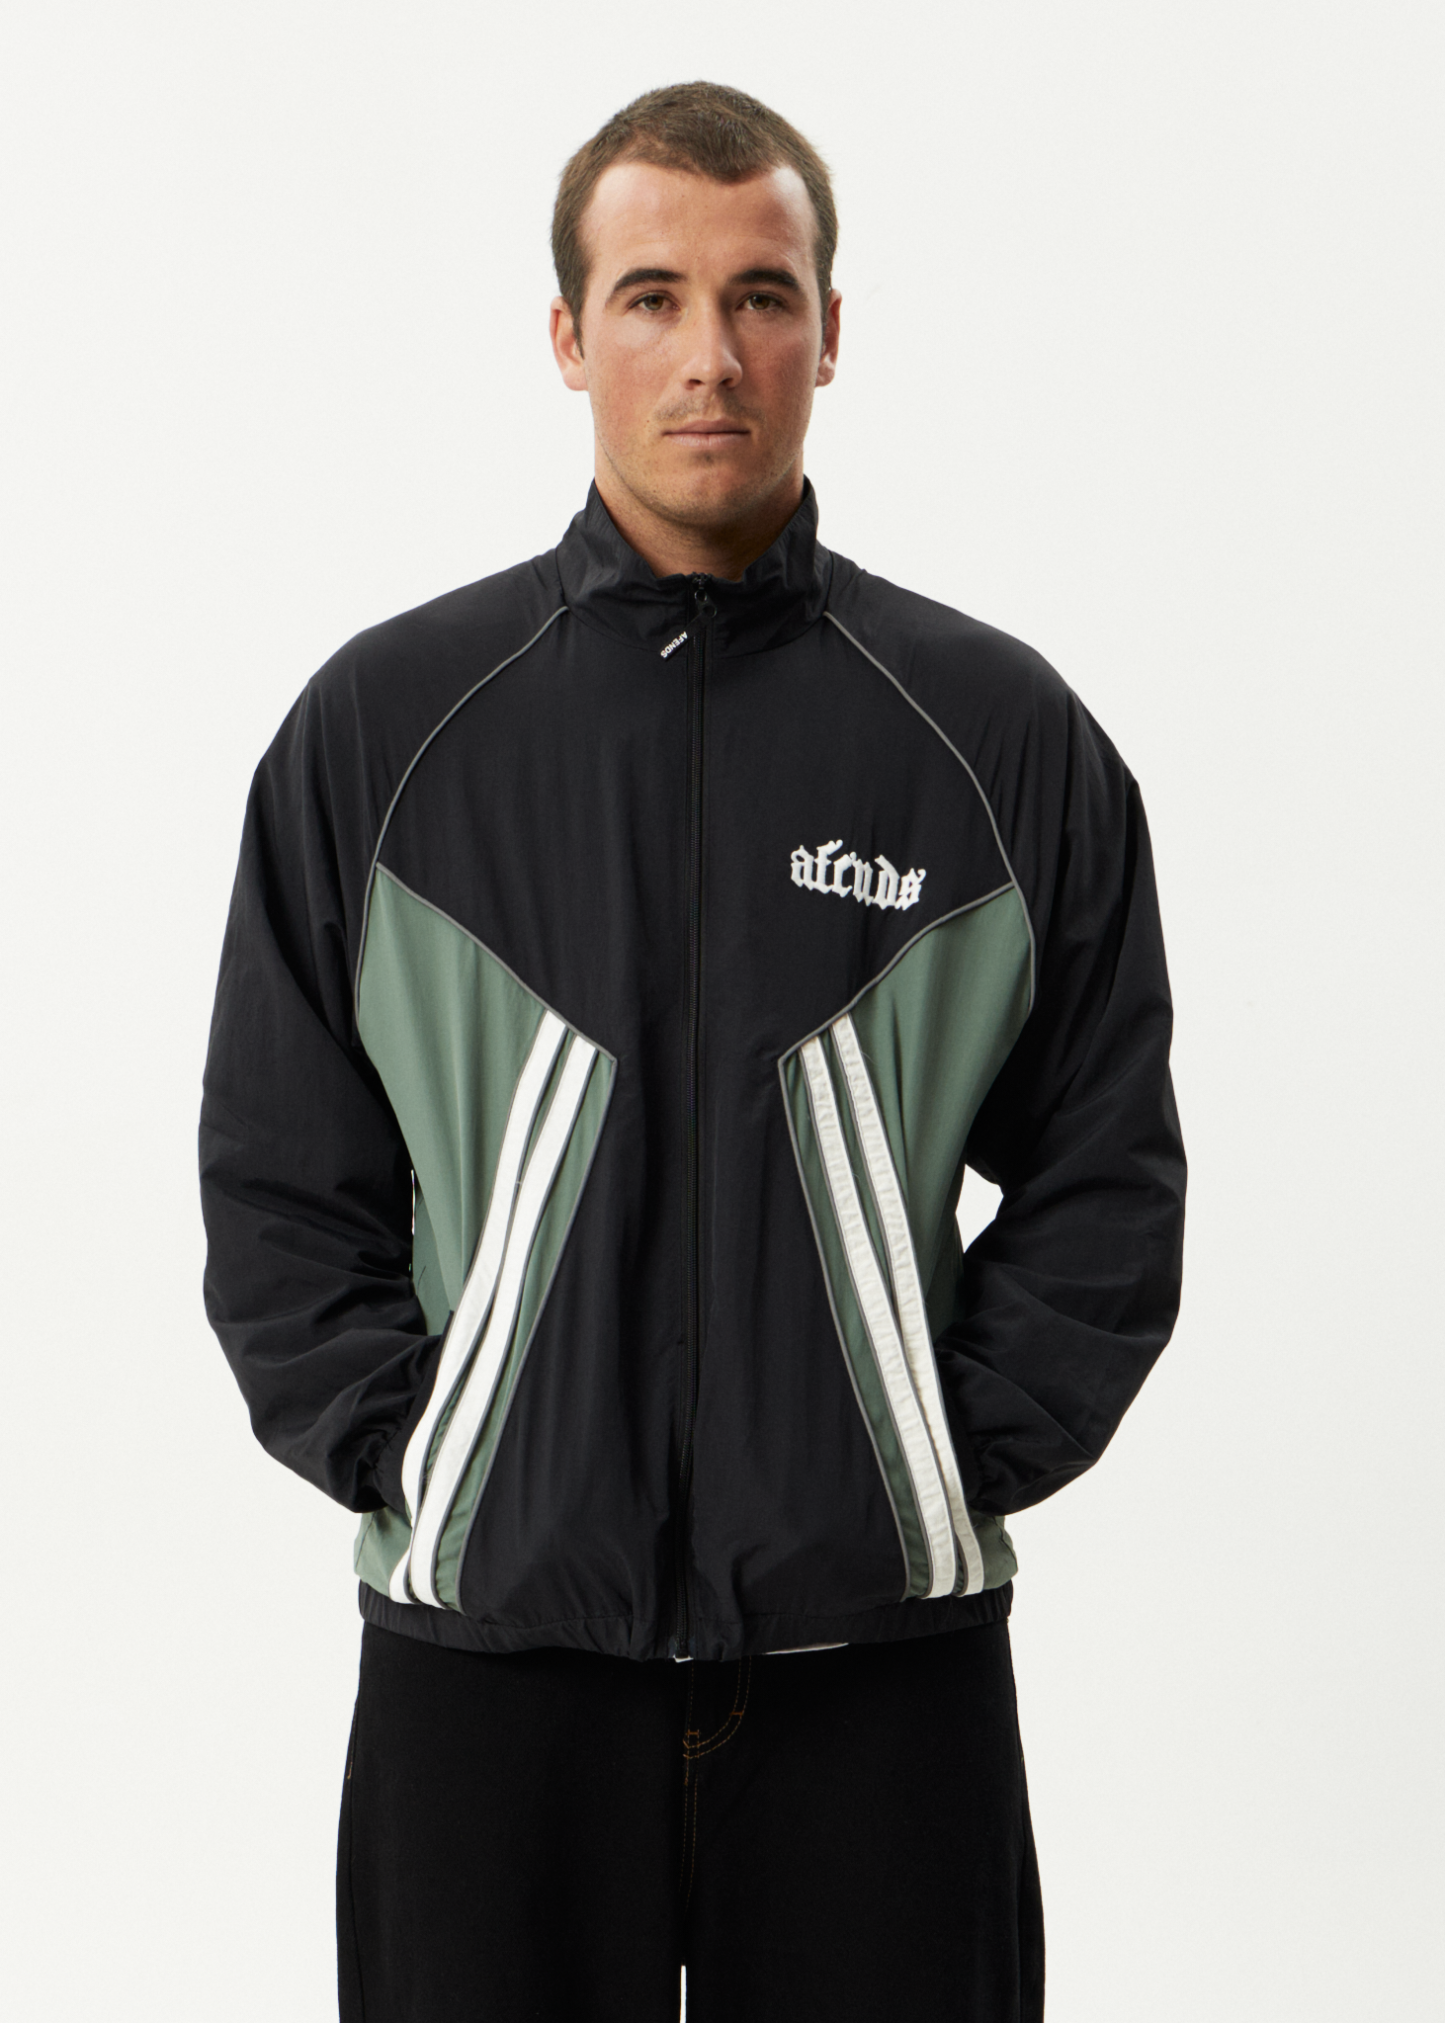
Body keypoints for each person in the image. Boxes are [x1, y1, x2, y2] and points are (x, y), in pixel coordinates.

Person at [200, 79, 1185, 2023]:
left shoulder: (992, 740)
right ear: (569, 337)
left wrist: (924, 1458)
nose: (711, 355)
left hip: (876, 1678)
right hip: (489, 1672)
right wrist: (434, 1458)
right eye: (651, 296)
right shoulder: (388, 732)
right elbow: (278, 1181)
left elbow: (1106, 1172)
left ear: (831, 330)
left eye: (760, 295)